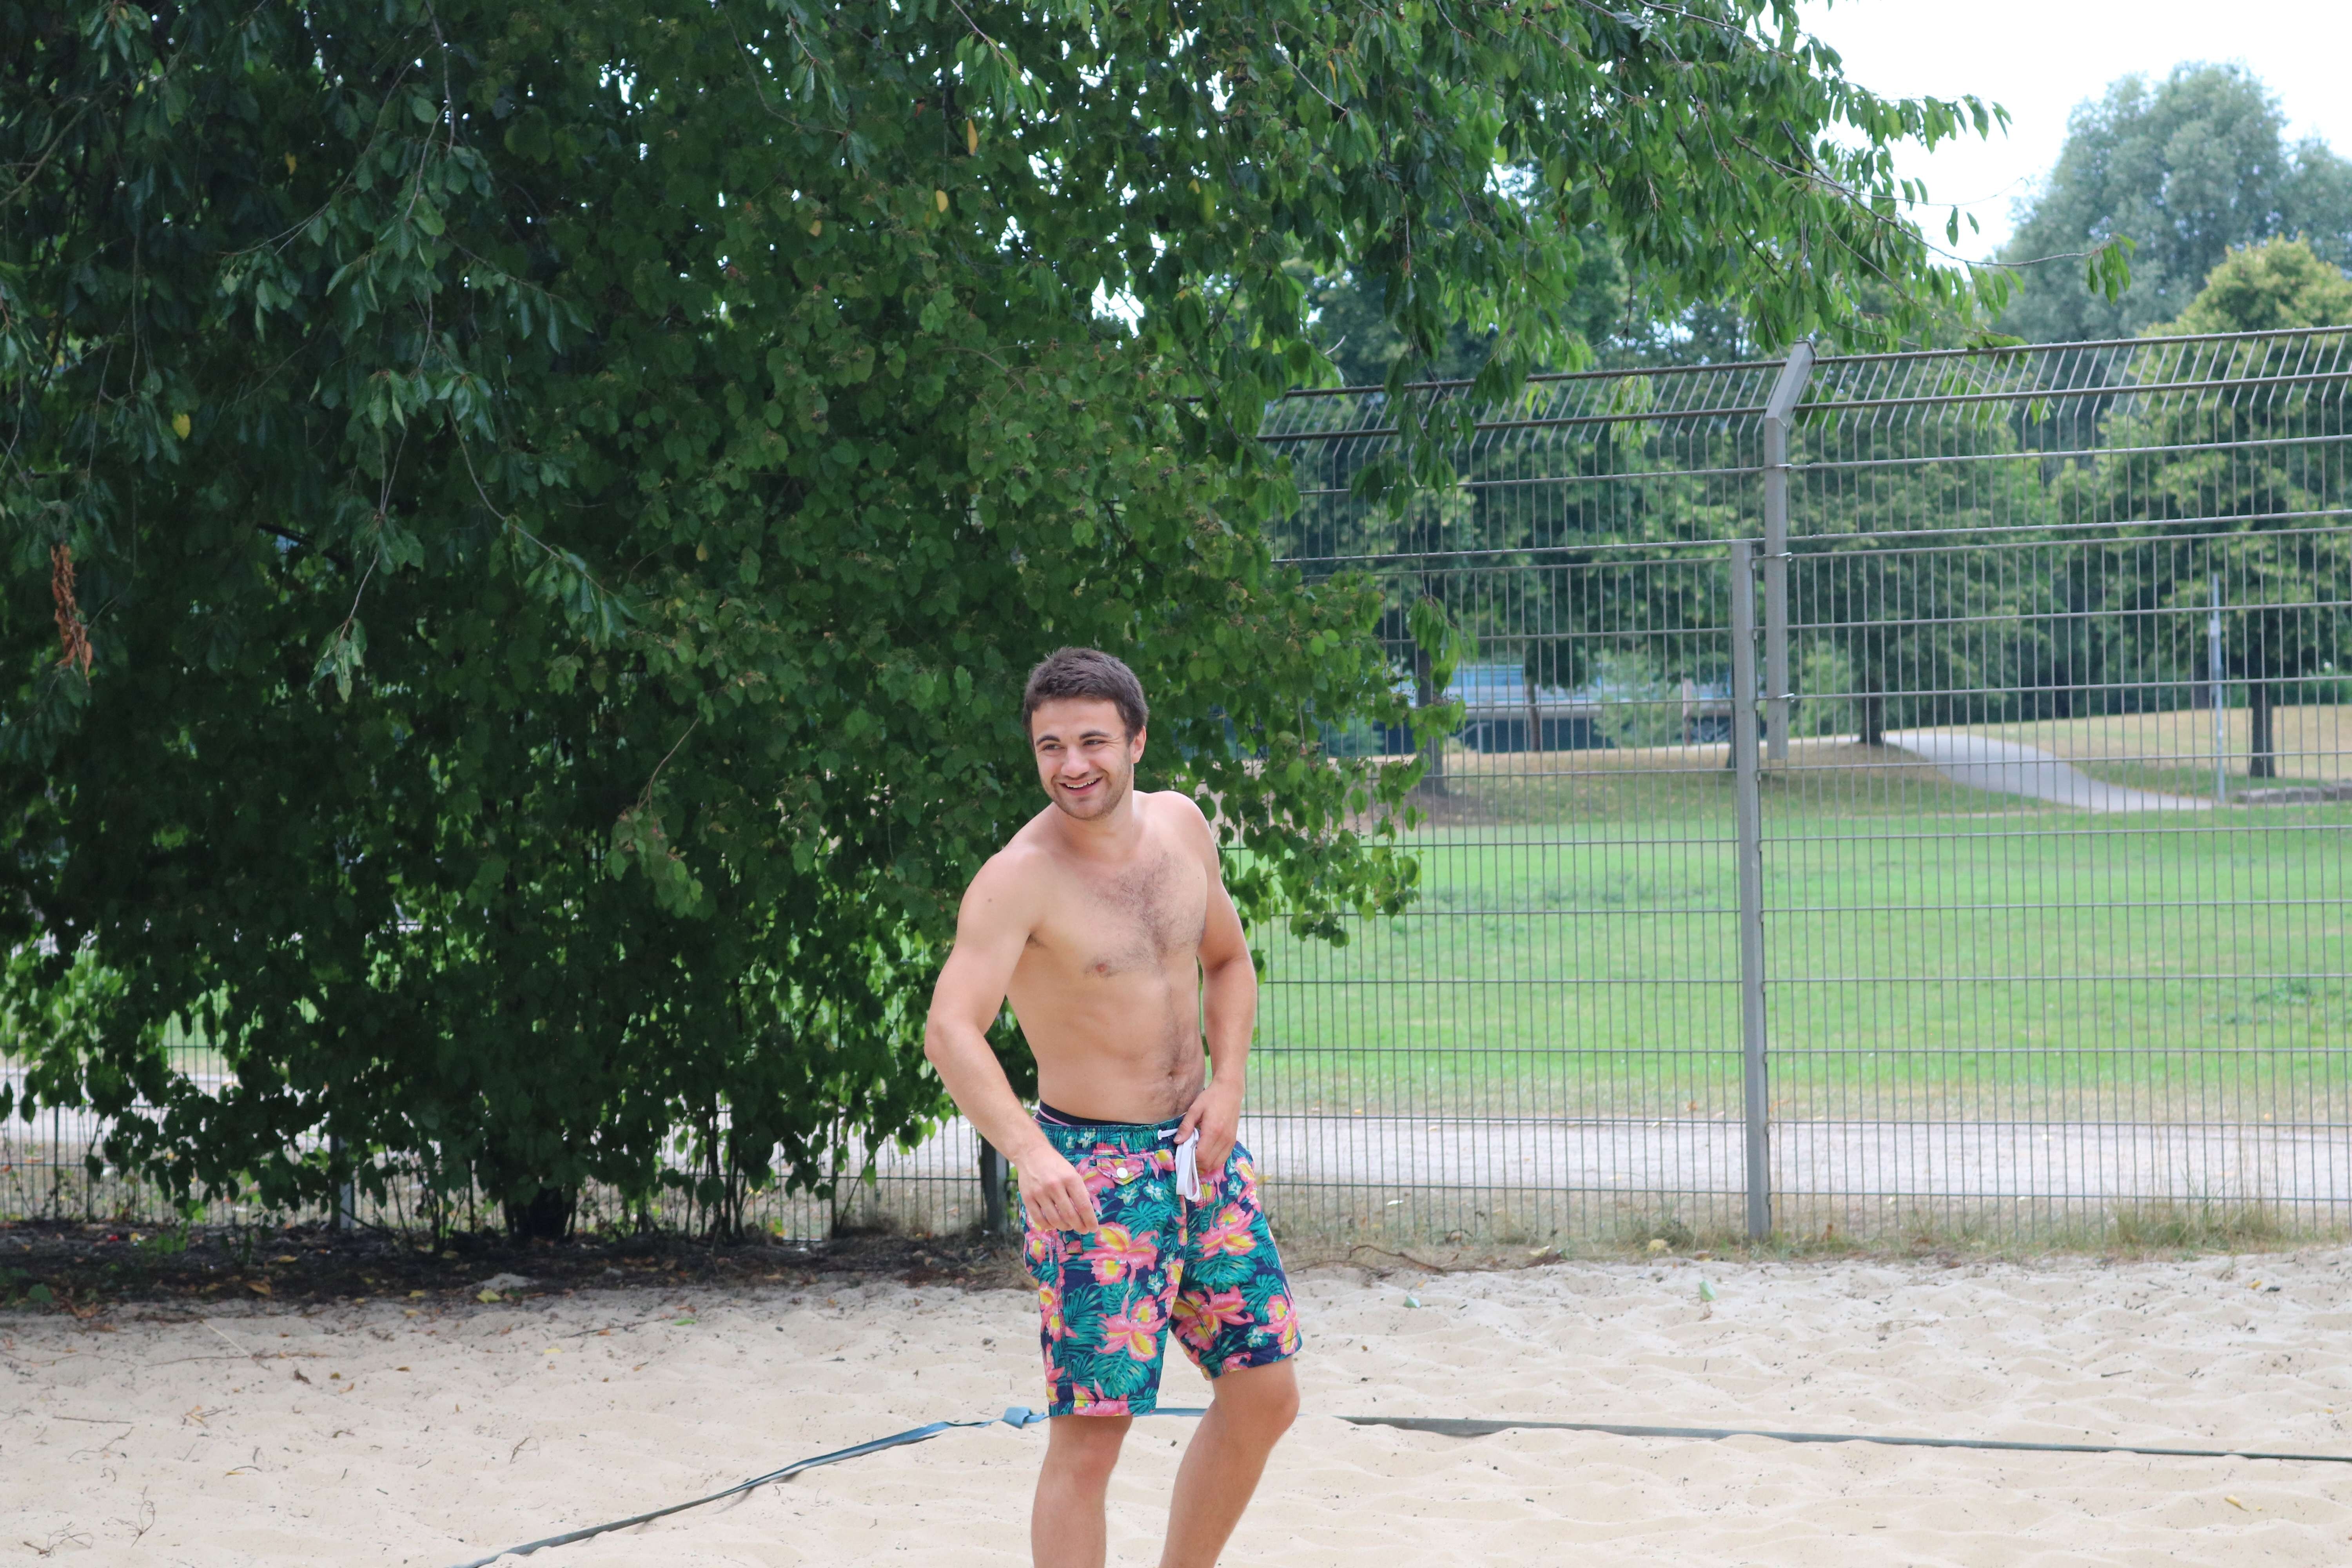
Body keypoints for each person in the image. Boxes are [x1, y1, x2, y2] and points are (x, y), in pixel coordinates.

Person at [925, 647, 1301, 1568]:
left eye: (1092, 740)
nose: (1072, 764)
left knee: (1266, 1394)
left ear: (1137, 739)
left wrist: (1228, 1083)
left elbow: (1228, 960)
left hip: (1201, 1157)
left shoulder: (1182, 826)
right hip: (1090, 1178)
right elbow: (950, 1029)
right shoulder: (1019, 875)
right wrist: (1031, 1152)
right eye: (1050, 746)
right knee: (1092, 1438)